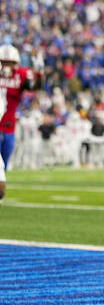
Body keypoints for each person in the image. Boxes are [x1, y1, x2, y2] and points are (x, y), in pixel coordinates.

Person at [0, 45, 41, 202]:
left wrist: (40, 73)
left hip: (9, 125)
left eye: (9, 62)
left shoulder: (22, 75)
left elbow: (35, 87)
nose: (6, 66)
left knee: (5, 159)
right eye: (3, 62)